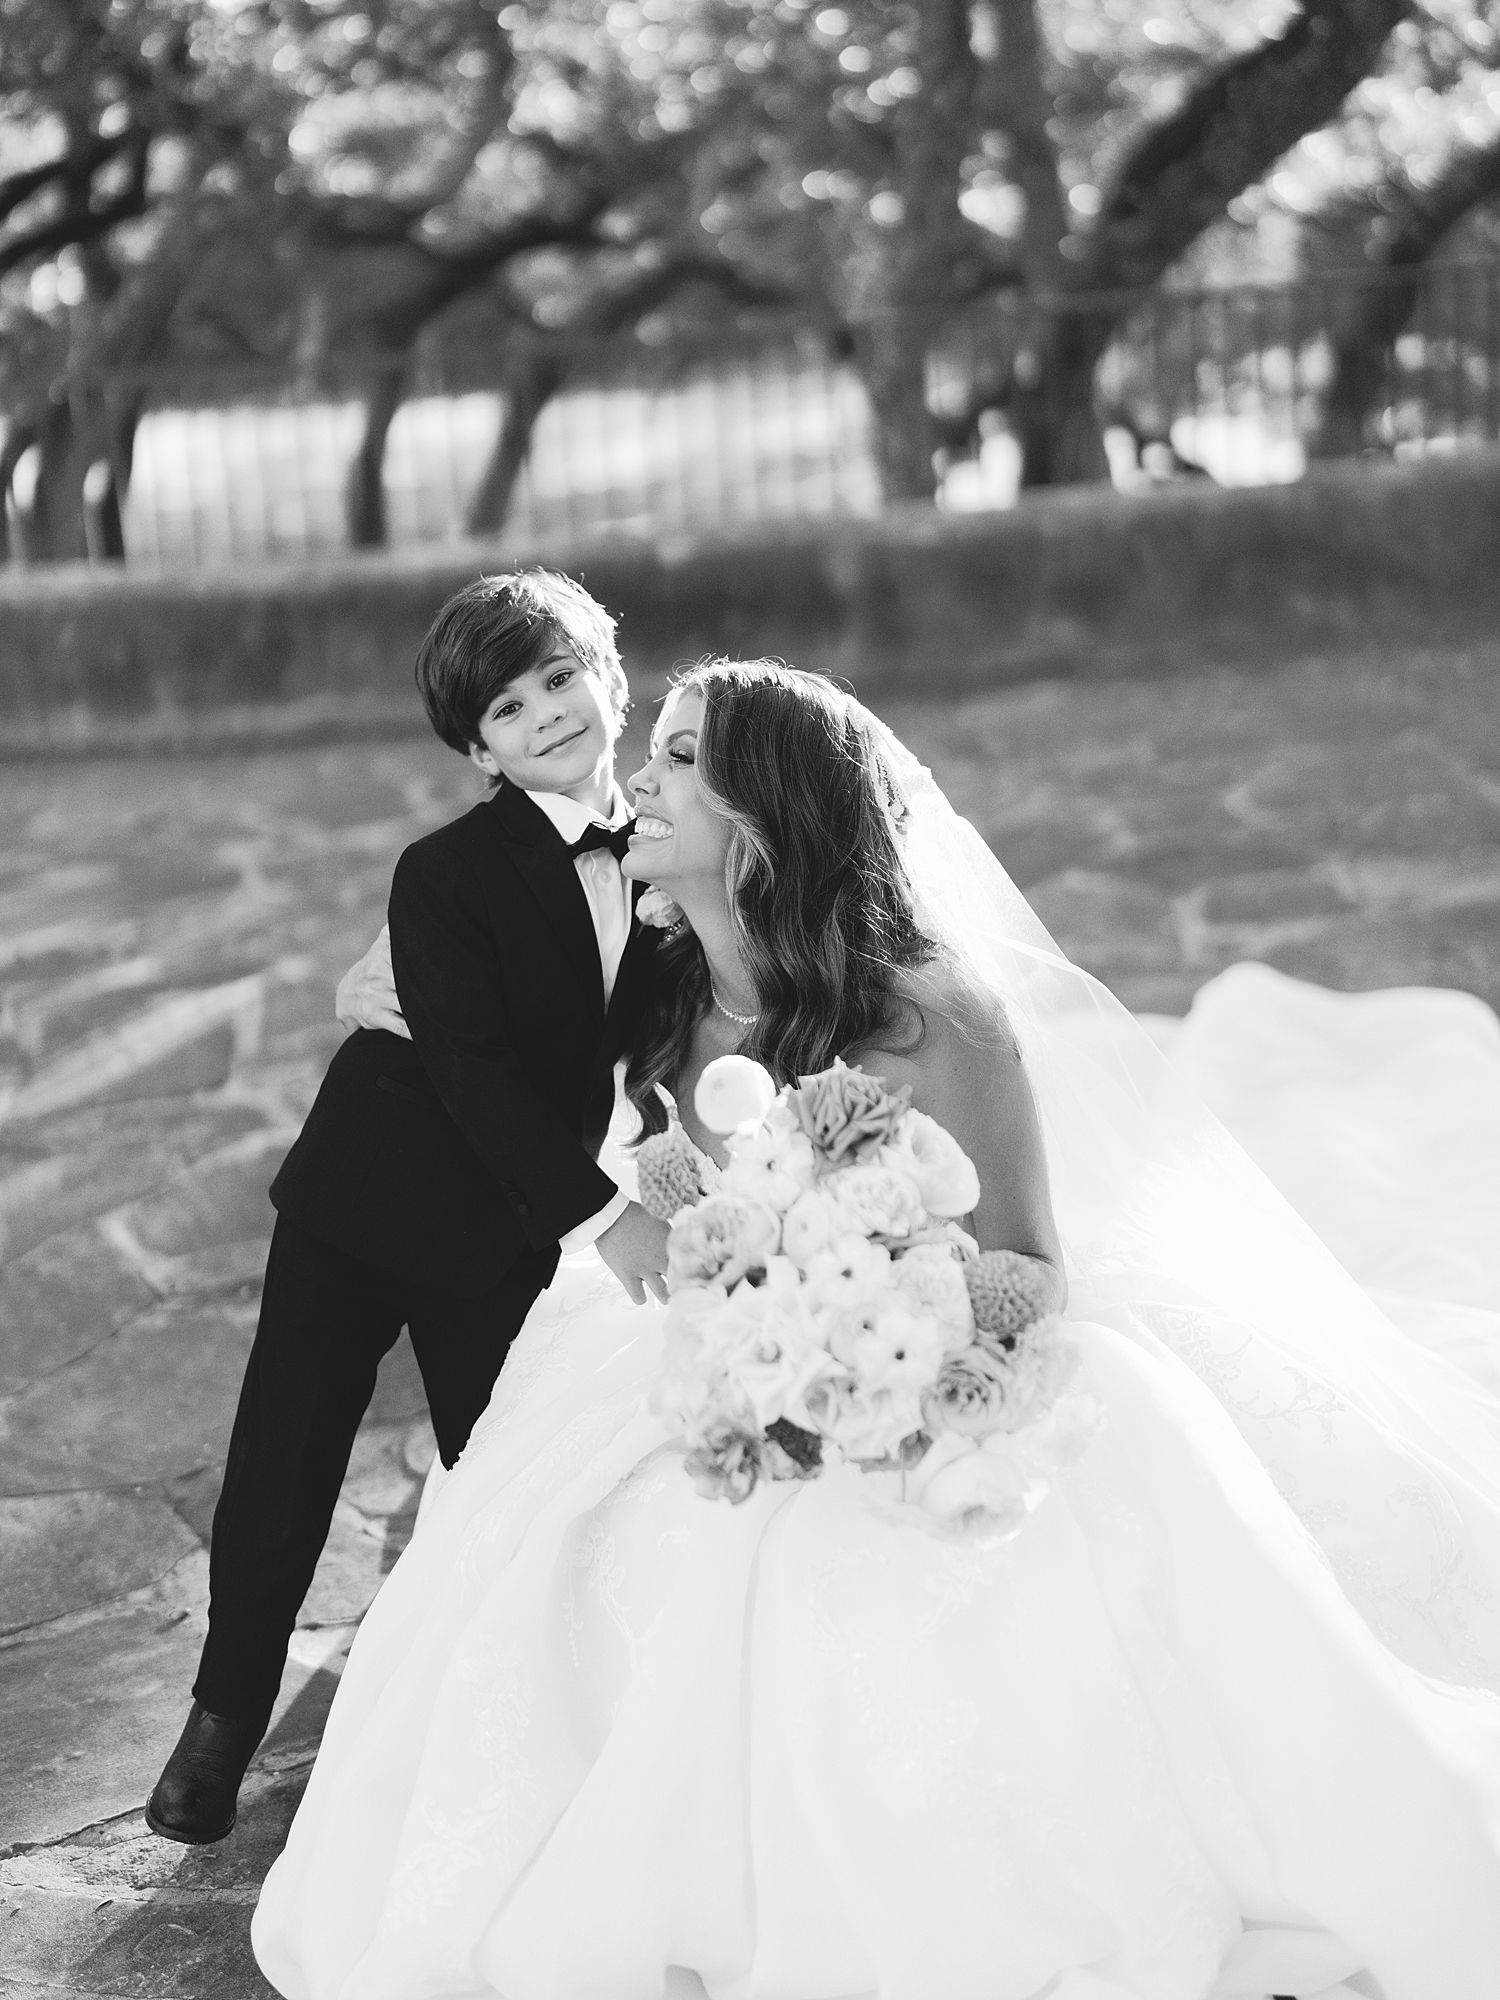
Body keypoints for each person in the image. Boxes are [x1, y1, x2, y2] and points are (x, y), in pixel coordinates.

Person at [253, 661, 1500, 2000]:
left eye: (680, 759)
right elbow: (463, 1001)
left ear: (765, 814)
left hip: (918, 1363)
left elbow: (1032, 1263)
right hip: (713, 1337)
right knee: (578, 1545)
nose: (638, 780)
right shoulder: (649, 977)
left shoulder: (932, 1014)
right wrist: (402, 984)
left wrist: (897, 1342)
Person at [146, 570, 673, 1845]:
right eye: (507, 708)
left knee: (496, 1467)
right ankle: (221, 1718)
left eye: (559, 678)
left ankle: (478, 1702)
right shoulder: (443, 871)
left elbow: (652, 1043)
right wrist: (606, 1215)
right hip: (368, 1198)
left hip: (502, 1230)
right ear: (478, 751)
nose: (545, 715)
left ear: (608, 674)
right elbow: (475, 1069)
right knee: (286, 1460)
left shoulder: (670, 857)